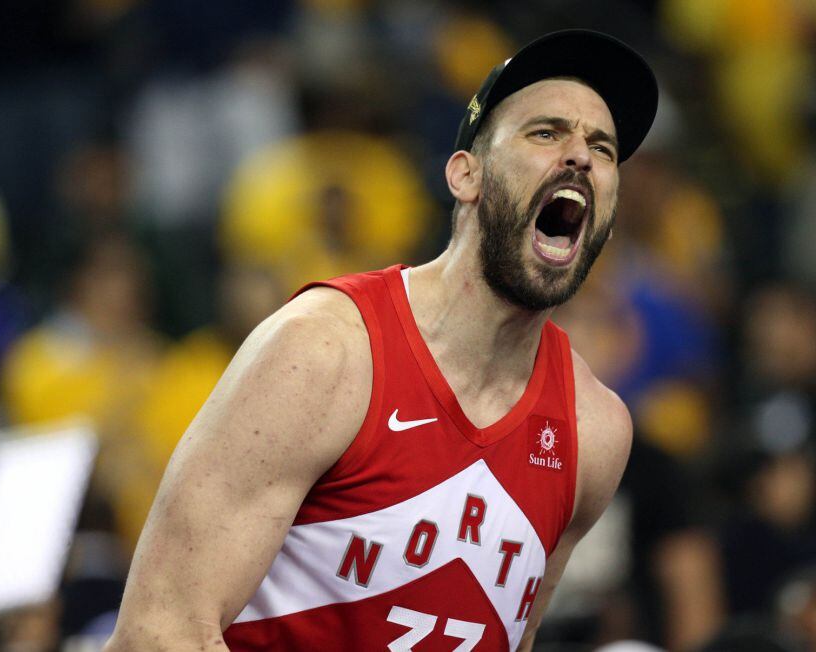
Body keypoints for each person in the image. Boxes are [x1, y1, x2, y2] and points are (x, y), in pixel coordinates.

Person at [105, 29, 658, 651]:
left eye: (603, 148)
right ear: (465, 176)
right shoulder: (323, 351)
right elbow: (157, 631)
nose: (581, 156)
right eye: (546, 133)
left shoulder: (594, 431)